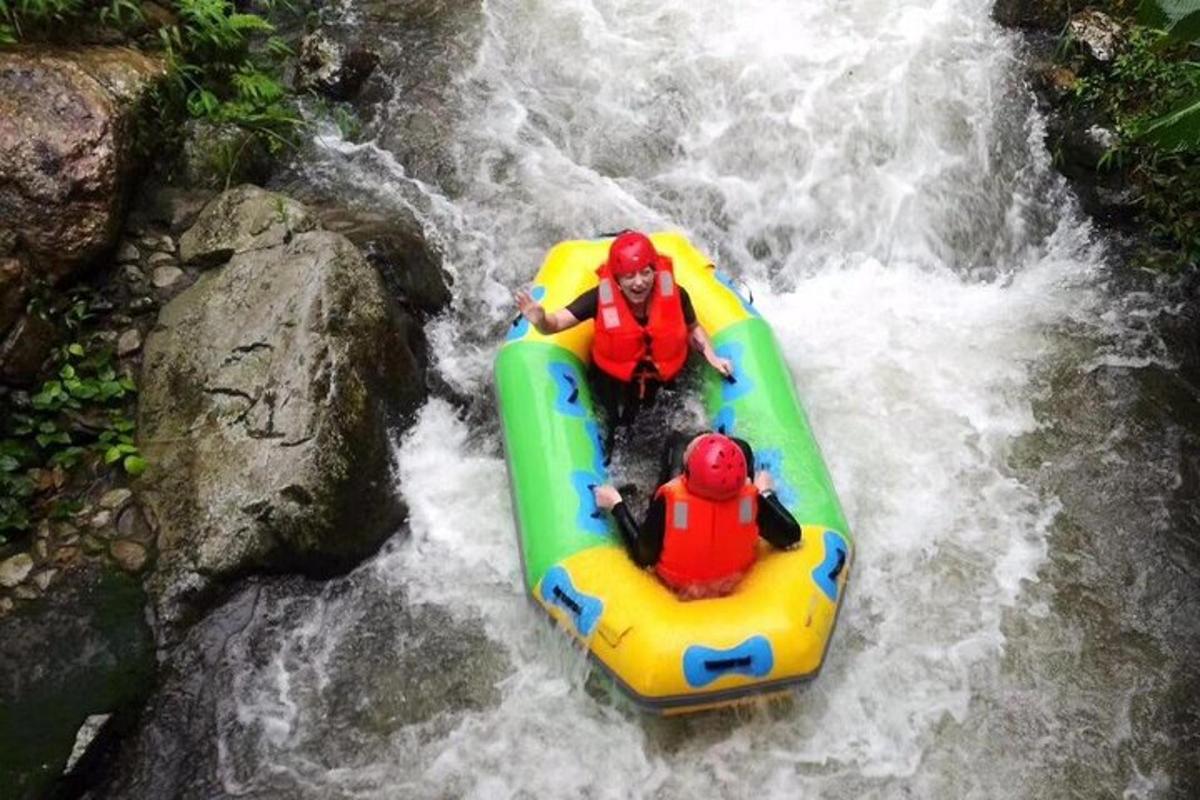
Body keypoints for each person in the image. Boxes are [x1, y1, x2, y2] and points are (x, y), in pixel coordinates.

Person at [514, 232, 733, 438]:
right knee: (615, 433)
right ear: (617, 278)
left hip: (663, 384)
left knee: (670, 433)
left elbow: (693, 327)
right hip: (614, 384)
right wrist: (541, 319)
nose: (639, 282)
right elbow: (556, 323)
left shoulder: (675, 294)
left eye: (645, 273)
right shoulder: (599, 298)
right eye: (629, 276)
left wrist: (712, 356)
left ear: (654, 271)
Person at [592, 432, 801, 600]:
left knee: (676, 442)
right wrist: (766, 493)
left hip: (680, 585)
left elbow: (643, 556)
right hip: (732, 578)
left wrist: (616, 505)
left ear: (688, 471)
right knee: (742, 447)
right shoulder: (751, 499)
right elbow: (791, 534)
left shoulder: (670, 501)